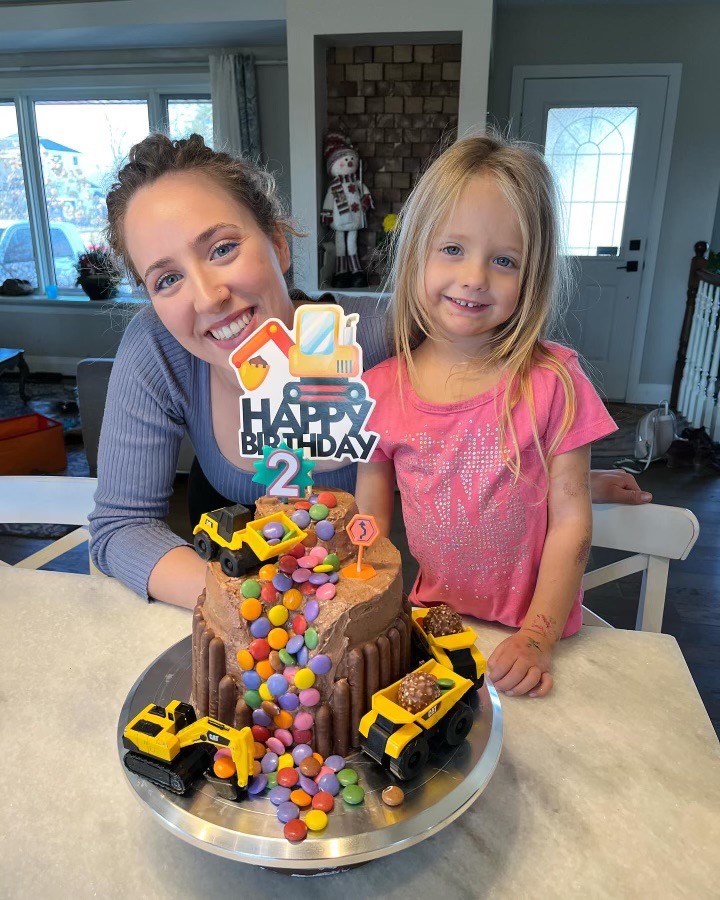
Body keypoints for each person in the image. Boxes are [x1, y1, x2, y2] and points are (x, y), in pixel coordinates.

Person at [90, 132, 649, 613]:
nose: (209, 296)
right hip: (259, 639)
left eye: (223, 248)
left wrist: (553, 480)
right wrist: (253, 606)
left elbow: (491, 419)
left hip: (397, 615)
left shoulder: (391, 337)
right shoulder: (158, 348)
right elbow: (119, 528)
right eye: (166, 279)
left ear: (278, 243)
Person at [355, 132, 625, 699]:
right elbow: (372, 529)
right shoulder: (378, 392)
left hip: (535, 641)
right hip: (432, 629)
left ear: (532, 276)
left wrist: (538, 636)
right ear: (416, 253)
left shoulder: (557, 384)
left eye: (504, 260)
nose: (475, 276)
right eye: (452, 249)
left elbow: (572, 522)